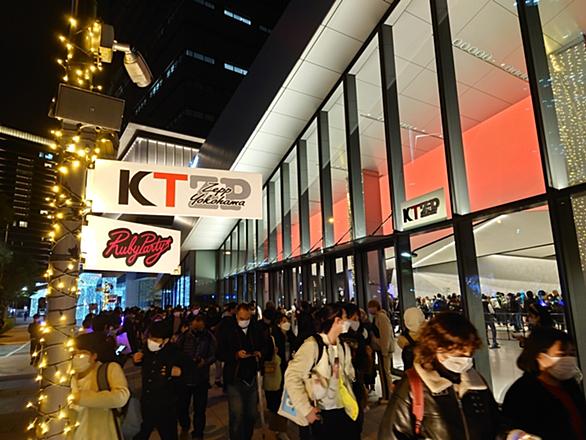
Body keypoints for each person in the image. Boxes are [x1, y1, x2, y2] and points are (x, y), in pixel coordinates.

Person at [378, 312, 508, 440]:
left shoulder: (477, 383)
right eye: (459, 353)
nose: (465, 360)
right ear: (437, 348)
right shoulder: (413, 386)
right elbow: (390, 435)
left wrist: (509, 435)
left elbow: (496, 425)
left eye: (470, 353)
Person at [284, 303, 359, 440]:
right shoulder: (312, 346)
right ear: (337, 320)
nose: (348, 322)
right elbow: (292, 377)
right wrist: (306, 410)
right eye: (345, 318)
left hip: (343, 409)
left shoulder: (343, 346)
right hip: (321, 412)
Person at [503, 327, 586, 440]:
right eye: (561, 355)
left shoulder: (570, 385)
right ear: (540, 356)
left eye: (571, 354)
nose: (568, 360)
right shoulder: (522, 393)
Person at [216, 303, 272, 440]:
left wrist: (260, 353)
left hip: (252, 376)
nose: (244, 321)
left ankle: (247, 436)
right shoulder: (228, 329)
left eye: (247, 318)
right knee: (237, 414)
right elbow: (219, 353)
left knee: (251, 414)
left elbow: (266, 346)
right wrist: (235, 355)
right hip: (235, 377)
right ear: (236, 316)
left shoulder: (255, 328)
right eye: (242, 318)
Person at [133, 320, 190, 440]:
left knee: (168, 434)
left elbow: (193, 375)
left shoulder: (175, 353)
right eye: (150, 338)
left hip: (166, 405)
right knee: (143, 432)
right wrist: (137, 359)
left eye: (156, 340)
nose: (152, 342)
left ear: (166, 340)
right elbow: (146, 364)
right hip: (148, 402)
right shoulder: (147, 349)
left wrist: (180, 372)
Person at [70, 332, 130, 440]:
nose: (77, 357)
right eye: (74, 353)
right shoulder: (67, 377)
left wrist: (79, 398)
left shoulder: (108, 370)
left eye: (83, 353)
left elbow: (120, 397)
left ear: (94, 355)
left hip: (103, 434)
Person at [176, 315, 216, 440]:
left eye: (200, 325)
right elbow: (177, 353)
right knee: (182, 407)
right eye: (195, 324)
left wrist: (205, 361)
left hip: (201, 377)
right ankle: (185, 426)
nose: (197, 327)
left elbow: (214, 354)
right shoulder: (184, 337)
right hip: (185, 377)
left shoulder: (209, 337)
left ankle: (198, 433)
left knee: (200, 409)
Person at [265, 313, 296, 440]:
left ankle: (282, 427)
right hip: (278, 373)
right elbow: (266, 355)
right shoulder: (273, 337)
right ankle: (279, 429)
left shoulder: (290, 336)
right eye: (283, 321)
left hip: (288, 372)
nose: (286, 323)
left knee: (286, 400)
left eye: (287, 320)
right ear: (278, 323)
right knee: (277, 400)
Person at [367, 299, 395, 401]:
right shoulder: (377, 317)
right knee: (383, 373)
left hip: (384, 350)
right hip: (381, 349)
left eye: (370, 307)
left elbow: (385, 335)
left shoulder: (381, 317)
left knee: (385, 373)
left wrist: (384, 350)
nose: (369, 310)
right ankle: (385, 395)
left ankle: (388, 396)